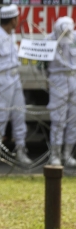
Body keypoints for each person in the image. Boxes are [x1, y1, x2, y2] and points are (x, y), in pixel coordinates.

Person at [0, 4, 32, 166]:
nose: (17, 21)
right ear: (12, 19)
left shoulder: (12, 36)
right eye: (16, 18)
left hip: (14, 79)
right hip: (1, 81)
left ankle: (20, 149)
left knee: (19, 115)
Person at [46, 17, 76, 166]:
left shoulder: (75, 37)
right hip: (57, 79)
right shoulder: (48, 40)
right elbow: (40, 66)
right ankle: (55, 155)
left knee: (73, 119)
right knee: (58, 119)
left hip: (74, 79)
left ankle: (67, 154)